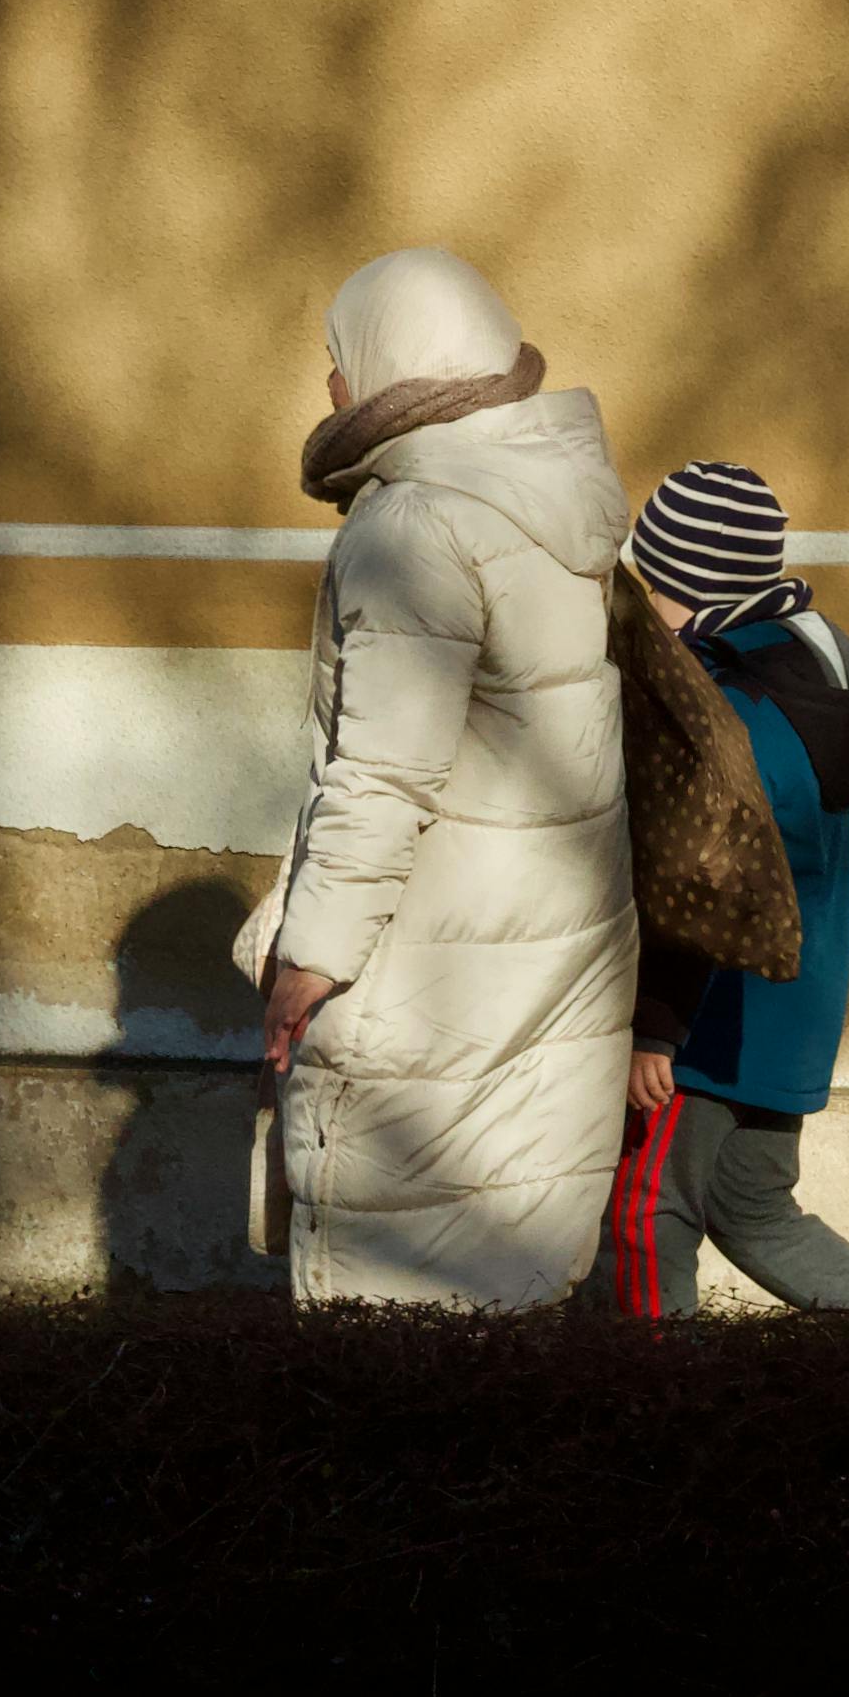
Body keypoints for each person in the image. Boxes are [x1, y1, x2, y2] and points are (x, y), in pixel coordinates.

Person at [248, 247, 634, 1310]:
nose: (330, 387)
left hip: (433, 979)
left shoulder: (414, 526)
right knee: (507, 1276)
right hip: (549, 958)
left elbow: (381, 773)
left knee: (400, 1310)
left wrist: (311, 956)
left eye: (339, 360)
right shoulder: (556, 508)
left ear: (387, 368)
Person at [594, 456, 849, 1317]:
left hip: (711, 1018)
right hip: (789, 1017)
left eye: (647, 586)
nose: (637, 611)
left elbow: (705, 873)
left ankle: (649, 1419)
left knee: (640, 1217)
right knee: (753, 1208)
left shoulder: (724, 706)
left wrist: (655, 1030)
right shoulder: (806, 671)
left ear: (689, 591)